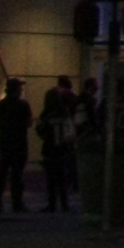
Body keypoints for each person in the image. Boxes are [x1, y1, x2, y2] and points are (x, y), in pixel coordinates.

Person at [38, 81, 80, 213]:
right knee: (62, 178)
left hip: (50, 149)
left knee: (51, 179)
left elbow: (40, 130)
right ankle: (64, 204)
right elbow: (70, 131)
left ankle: (52, 204)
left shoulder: (46, 114)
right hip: (63, 149)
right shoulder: (64, 112)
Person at [0, 77, 33, 213]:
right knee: (17, 175)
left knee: (1, 175)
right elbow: (28, 123)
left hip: (4, 142)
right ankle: (17, 203)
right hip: (19, 143)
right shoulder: (23, 105)